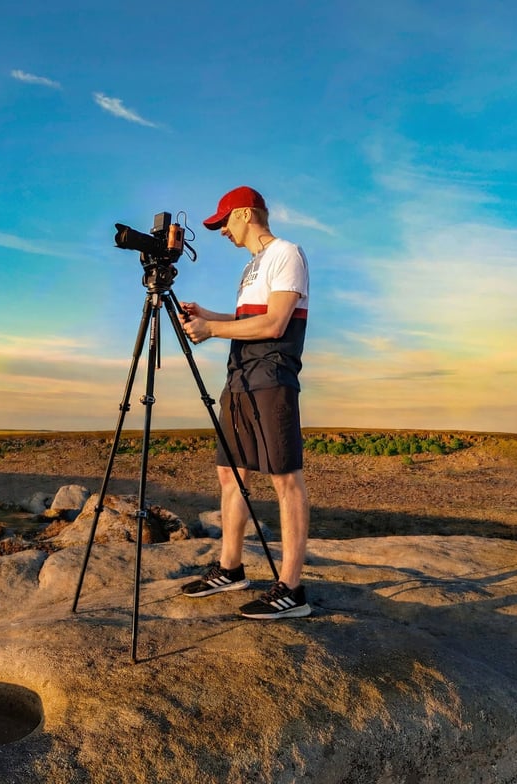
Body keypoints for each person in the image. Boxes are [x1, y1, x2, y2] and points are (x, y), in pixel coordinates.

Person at [179, 185, 311, 619]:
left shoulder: (286, 253)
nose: (221, 231)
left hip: (272, 376)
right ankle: (230, 568)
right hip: (239, 377)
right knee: (230, 472)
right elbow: (248, 320)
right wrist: (211, 315)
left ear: (245, 214)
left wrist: (212, 331)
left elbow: (274, 324)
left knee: (285, 478)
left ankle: (291, 589)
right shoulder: (253, 266)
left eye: (223, 222)